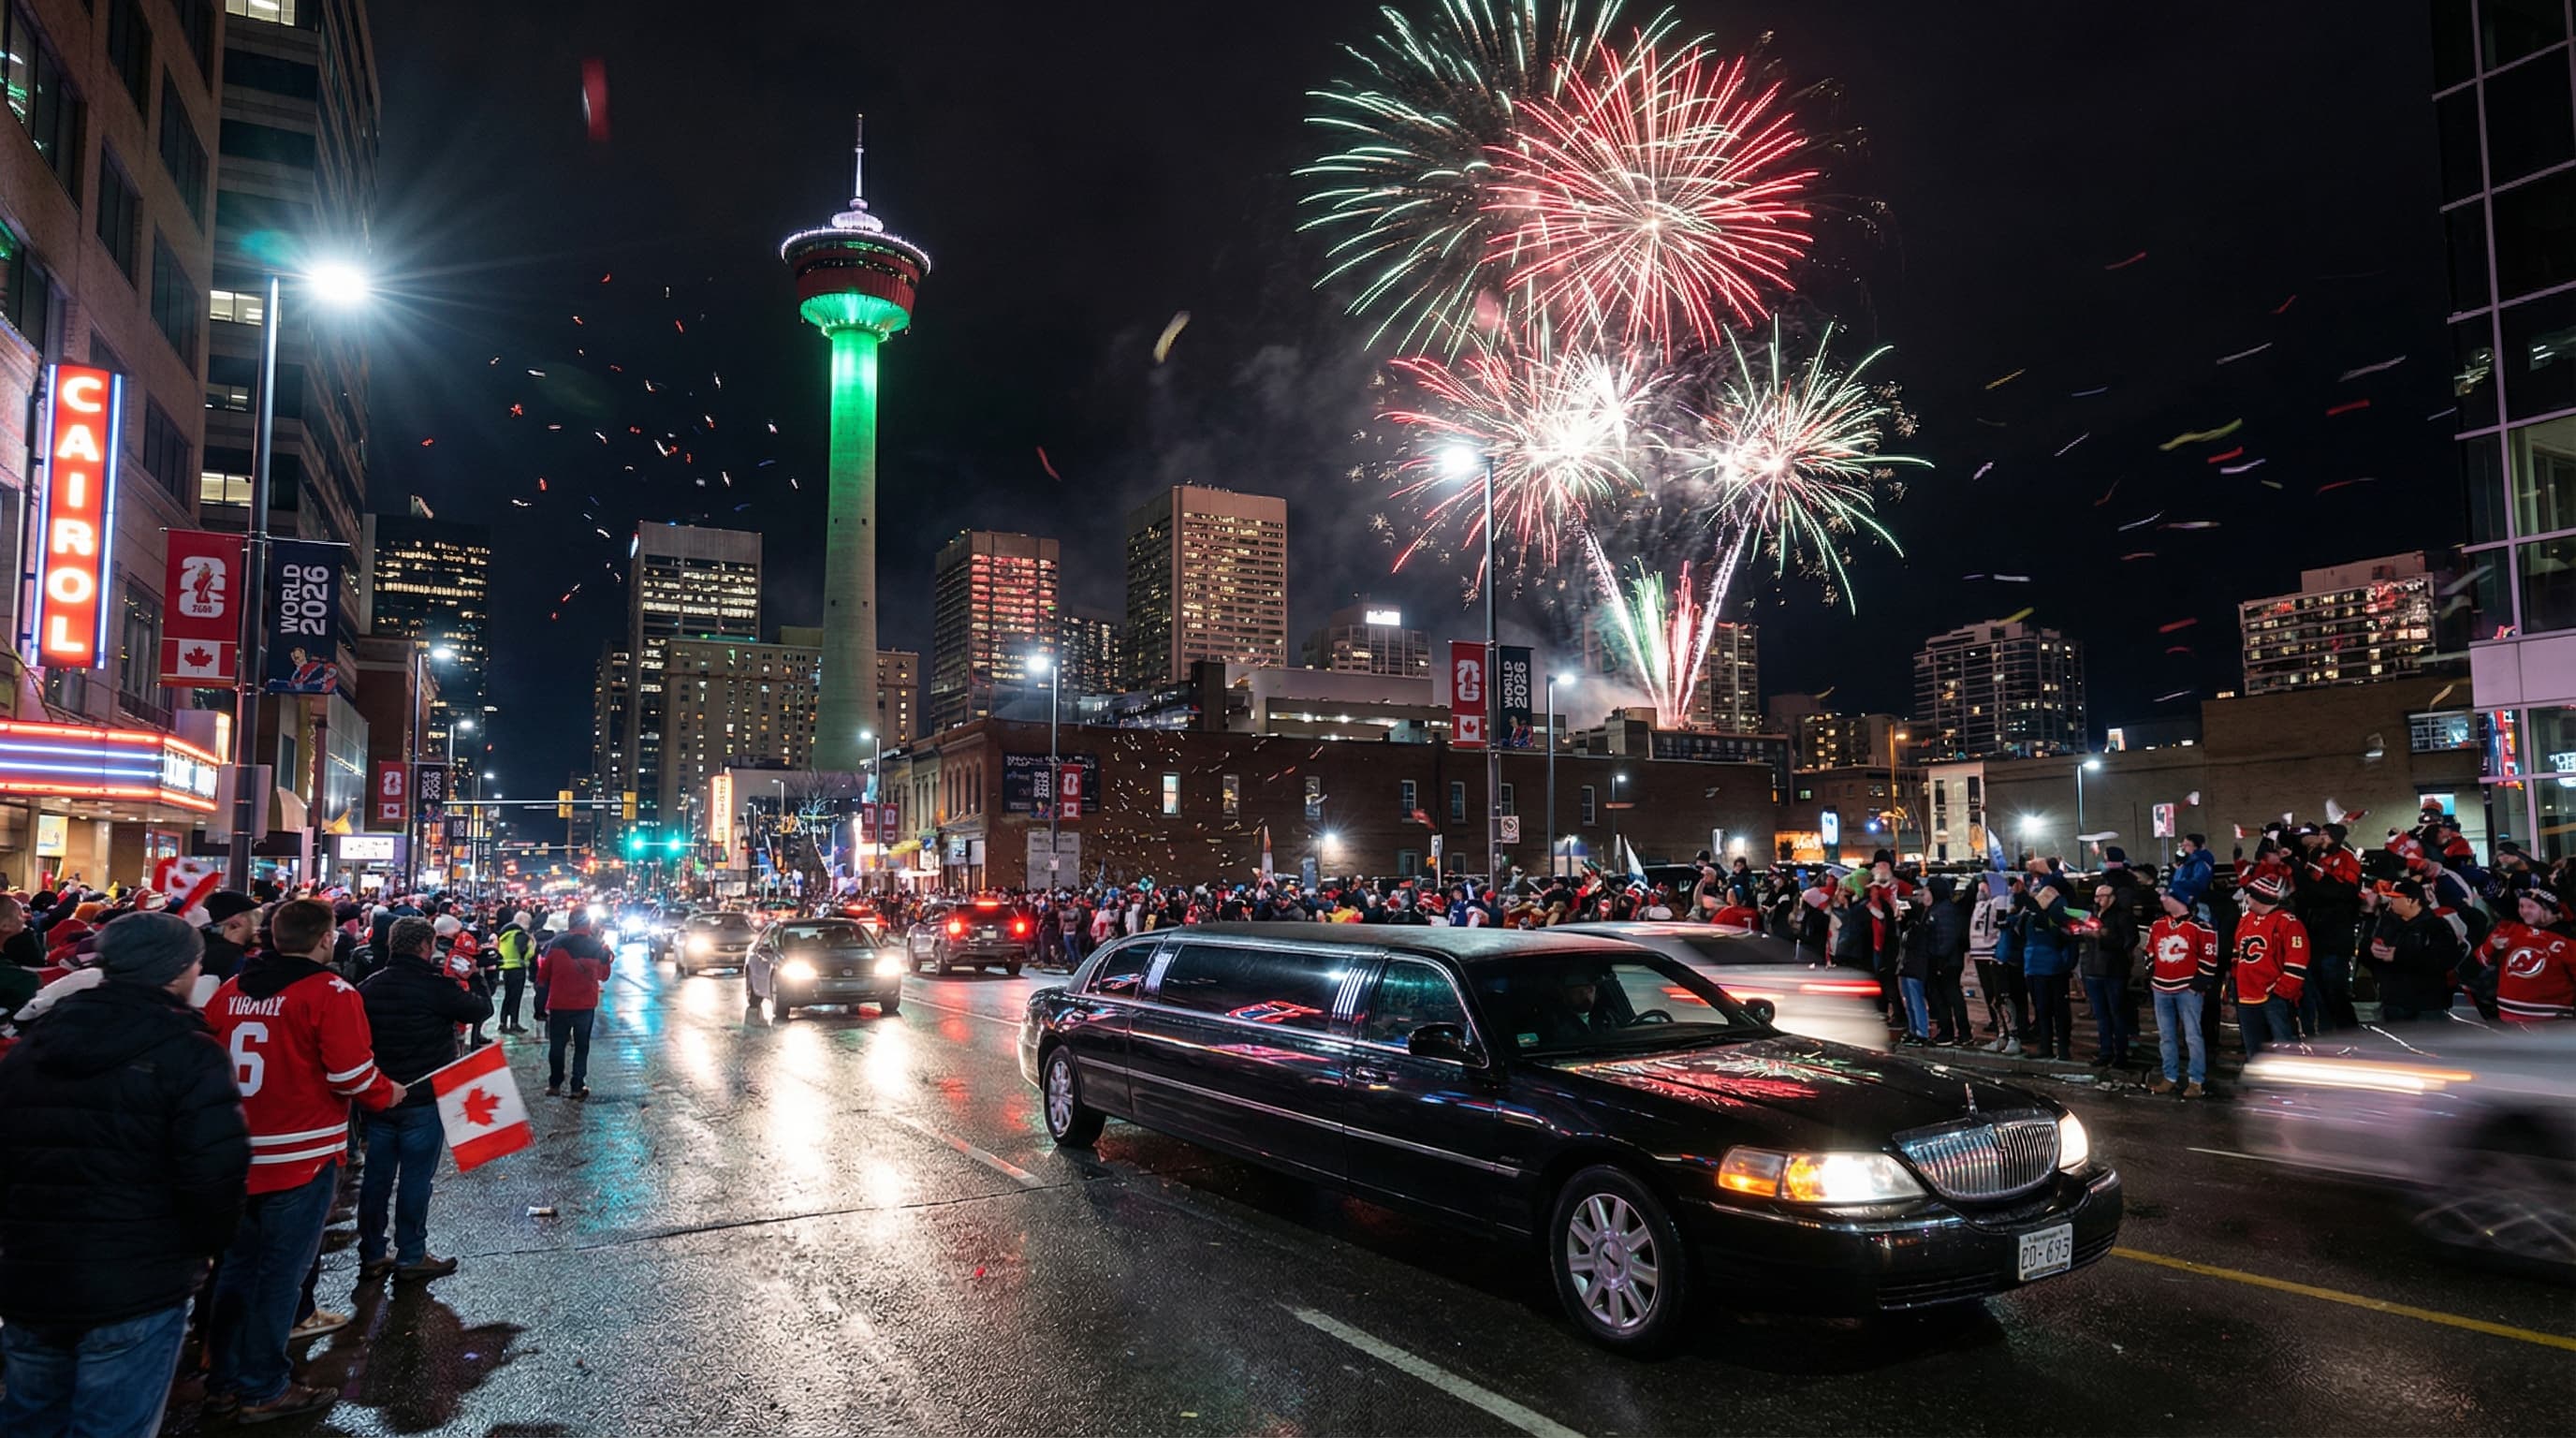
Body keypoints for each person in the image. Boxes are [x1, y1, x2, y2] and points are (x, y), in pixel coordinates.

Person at [0, 913, 249, 1438]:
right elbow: (214, 1172)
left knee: (30, 1419)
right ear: (180, 970)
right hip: (139, 1279)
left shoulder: (34, 1047)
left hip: (31, 1273)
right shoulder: (190, 1053)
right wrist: (206, 1251)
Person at [201, 898, 402, 1424]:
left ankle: (222, 1381)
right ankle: (264, 1387)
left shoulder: (230, 992)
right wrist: (388, 1094)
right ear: (324, 938)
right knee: (281, 1277)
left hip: (238, 1154)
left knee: (236, 1273)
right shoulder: (330, 992)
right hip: (302, 1157)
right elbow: (352, 1077)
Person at [357, 917, 490, 1284]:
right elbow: (480, 1010)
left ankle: (371, 1251)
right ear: (426, 946)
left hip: (380, 1095)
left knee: (376, 1178)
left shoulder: (367, 987)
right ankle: (411, 1253)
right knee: (416, 1178)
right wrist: (474, 974)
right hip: (423, 1098)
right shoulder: (434, 987)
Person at [2144, 889, 2219, 1097]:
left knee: (2193, 1036)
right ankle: (2170, 1076)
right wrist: (2152, 970)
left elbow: (2210, 957)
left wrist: (2198, 984)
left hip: (2187, 989)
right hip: (2161, 988)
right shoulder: (2158, 925)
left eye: (2167, 896)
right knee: (2166, 1036)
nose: (2162, 900)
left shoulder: (2201, 927)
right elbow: (2149, 950)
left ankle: (2196, 1080)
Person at [2230, 874, 2308, 1058]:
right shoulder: (2246, 920)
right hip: (2246, 998)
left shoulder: (2288, 922)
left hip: (2273, 999)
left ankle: (2288, 1086)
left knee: (2284, 1051)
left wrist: (2280, 993)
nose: (2245, 898)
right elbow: (2237, 953)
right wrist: (2235, 984)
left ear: (2260, 897)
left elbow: (2297, 964)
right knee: (2254, 1052)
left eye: (2249, 894)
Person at [537, 912, 613, 1100]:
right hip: (585, 1005)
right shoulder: (596, 947)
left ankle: (554, 1084)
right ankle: (577, 1087)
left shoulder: (555, 944)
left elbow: (543, 974)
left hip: (559, 1003)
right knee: (581, 1046)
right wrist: (607, 957)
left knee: (557, 1045)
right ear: (589, 925)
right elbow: (603, 976)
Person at [2018, 856, 2079, 1061]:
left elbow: (2064, 934)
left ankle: (2063, 1048)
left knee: (2059, 1010)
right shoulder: (2033, 908)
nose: (2034, 886)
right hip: (2034, 965)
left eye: (2038, 881)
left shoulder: (2059, 906)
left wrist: (2042, 918)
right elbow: (2022, 932)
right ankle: (2045, 1046)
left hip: (2053, 966)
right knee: (2042, 1009)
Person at [198, 891, 262, 985]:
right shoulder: (229, 958)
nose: (256, 925)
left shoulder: (200, 945)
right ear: (237, 923)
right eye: (252, 916)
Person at [493, 911, 535, 1034]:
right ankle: (514, 1023)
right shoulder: (520, 935)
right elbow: (525, 953)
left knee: (508, 996)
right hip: (517, 968)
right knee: (515, 998)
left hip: (506, 968)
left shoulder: (506, 934)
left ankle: (502, 1023)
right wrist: (532, 944)